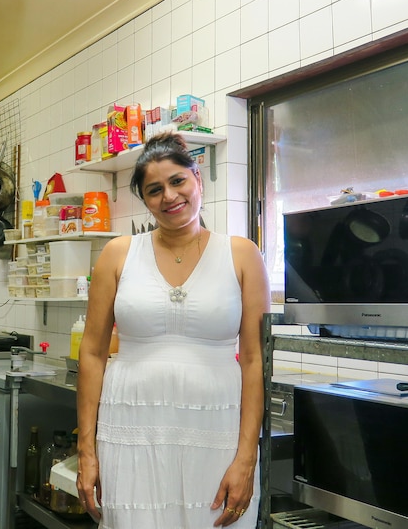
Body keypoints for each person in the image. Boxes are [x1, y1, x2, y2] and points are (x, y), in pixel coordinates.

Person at [75, 131, 269, 528]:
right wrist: (87, 452)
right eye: (154, 190)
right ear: (145, 201)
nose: (169, 196)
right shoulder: (118, 254)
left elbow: (254, 361)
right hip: (130, 431)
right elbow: (92, 354)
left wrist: (247, 457)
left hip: (216, 432)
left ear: (197, 178)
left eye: (177, 181)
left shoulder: (243, 254)